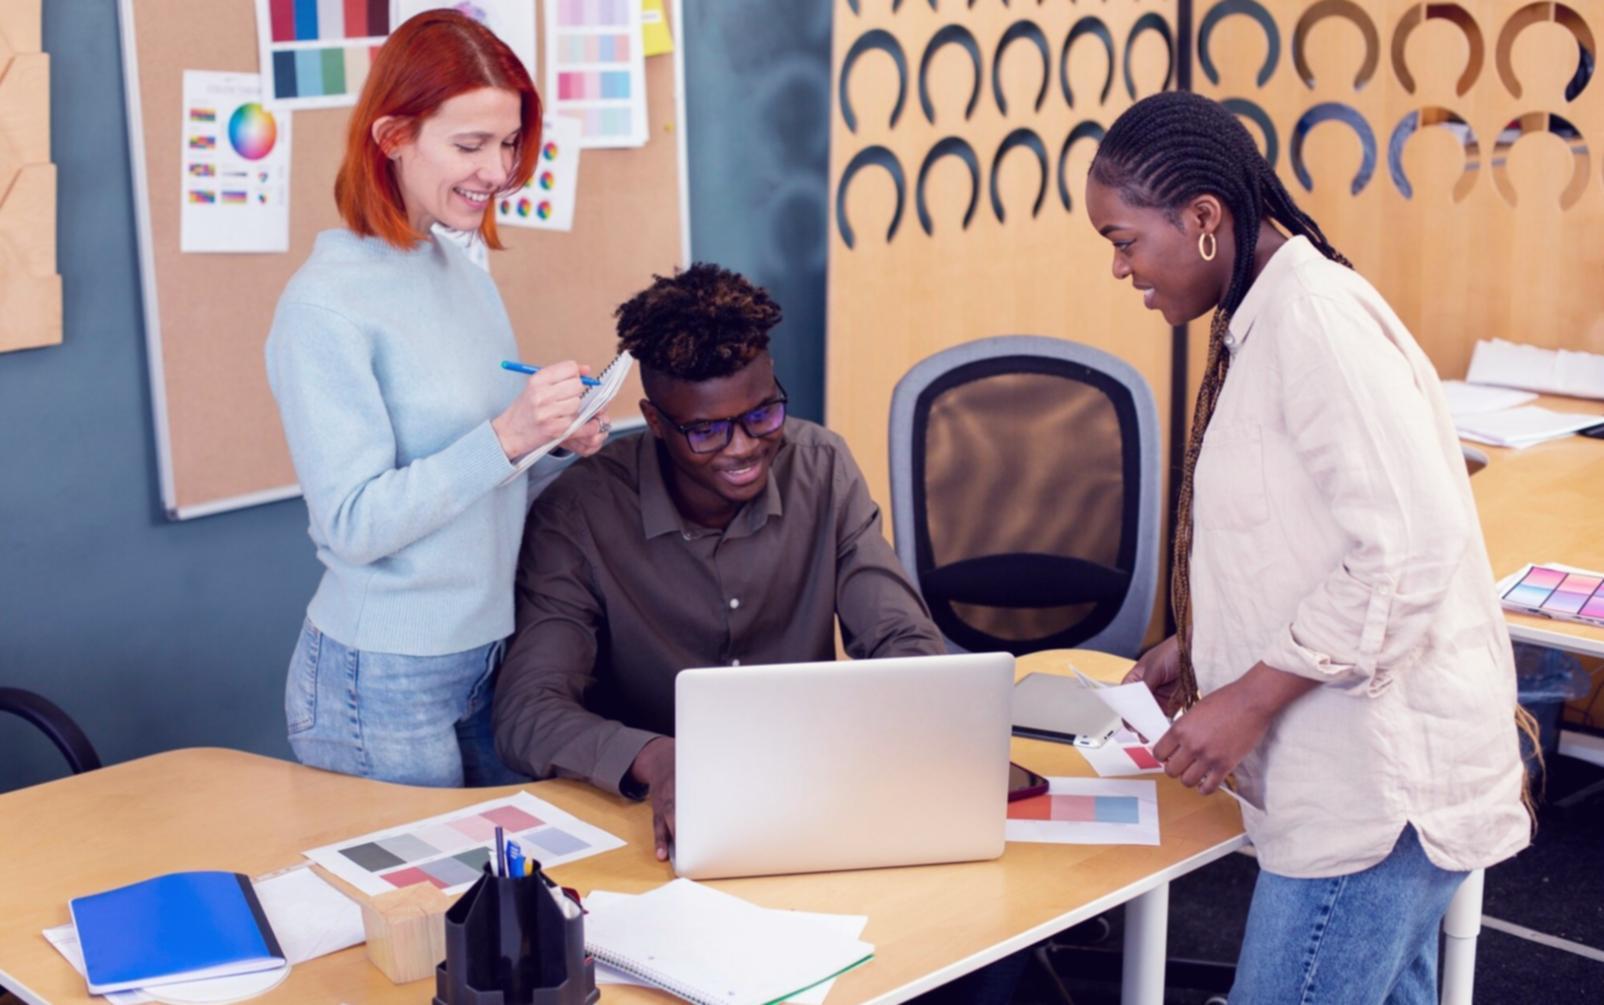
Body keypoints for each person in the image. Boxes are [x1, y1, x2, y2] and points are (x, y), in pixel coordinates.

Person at [1083, 91, 1532, 1003]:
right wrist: (1201, 647)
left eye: (1124, 241)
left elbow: (1407, 552)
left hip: (1378, 791)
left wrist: (1247, 699)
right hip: (1364, 782)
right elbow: (1302, 535)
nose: (1120, 267)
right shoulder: (1269, 314)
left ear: (1202, 218)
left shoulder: (1314, 322)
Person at [493, 263, 948, 856]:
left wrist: (920, 714)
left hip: (812, 795)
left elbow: (900, 639)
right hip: (644, 822)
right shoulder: (581, 510)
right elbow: (526, 710)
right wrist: (656, 758)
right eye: (706, 431)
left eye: (762, 415)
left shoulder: (821, 467)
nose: (744, 448)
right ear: (655, 421)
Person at [265, 11, 607, 787]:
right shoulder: (324, 306)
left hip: (488, 652)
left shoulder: (464, 272)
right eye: (470, 144)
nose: (499, 170)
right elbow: (354, 523)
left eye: (509, 142)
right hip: (380, 679)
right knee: (425, 876)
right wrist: (508, 435)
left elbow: (484, 482)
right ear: (392, 137)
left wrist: (552, 442)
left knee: (508, 864)